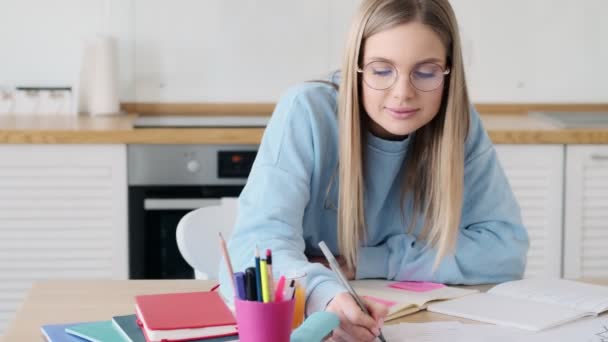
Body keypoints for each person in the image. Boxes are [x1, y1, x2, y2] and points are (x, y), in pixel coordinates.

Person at [219, 0, 529, 340]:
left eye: (425, 72)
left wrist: (371, 260)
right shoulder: (306, 112)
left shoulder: (460, 125)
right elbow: (257, 248)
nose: (402, 93)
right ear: (357, 68)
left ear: (448, 73)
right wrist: (323, 298)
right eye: (382, 70)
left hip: (416, 323)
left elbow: (505, 251)